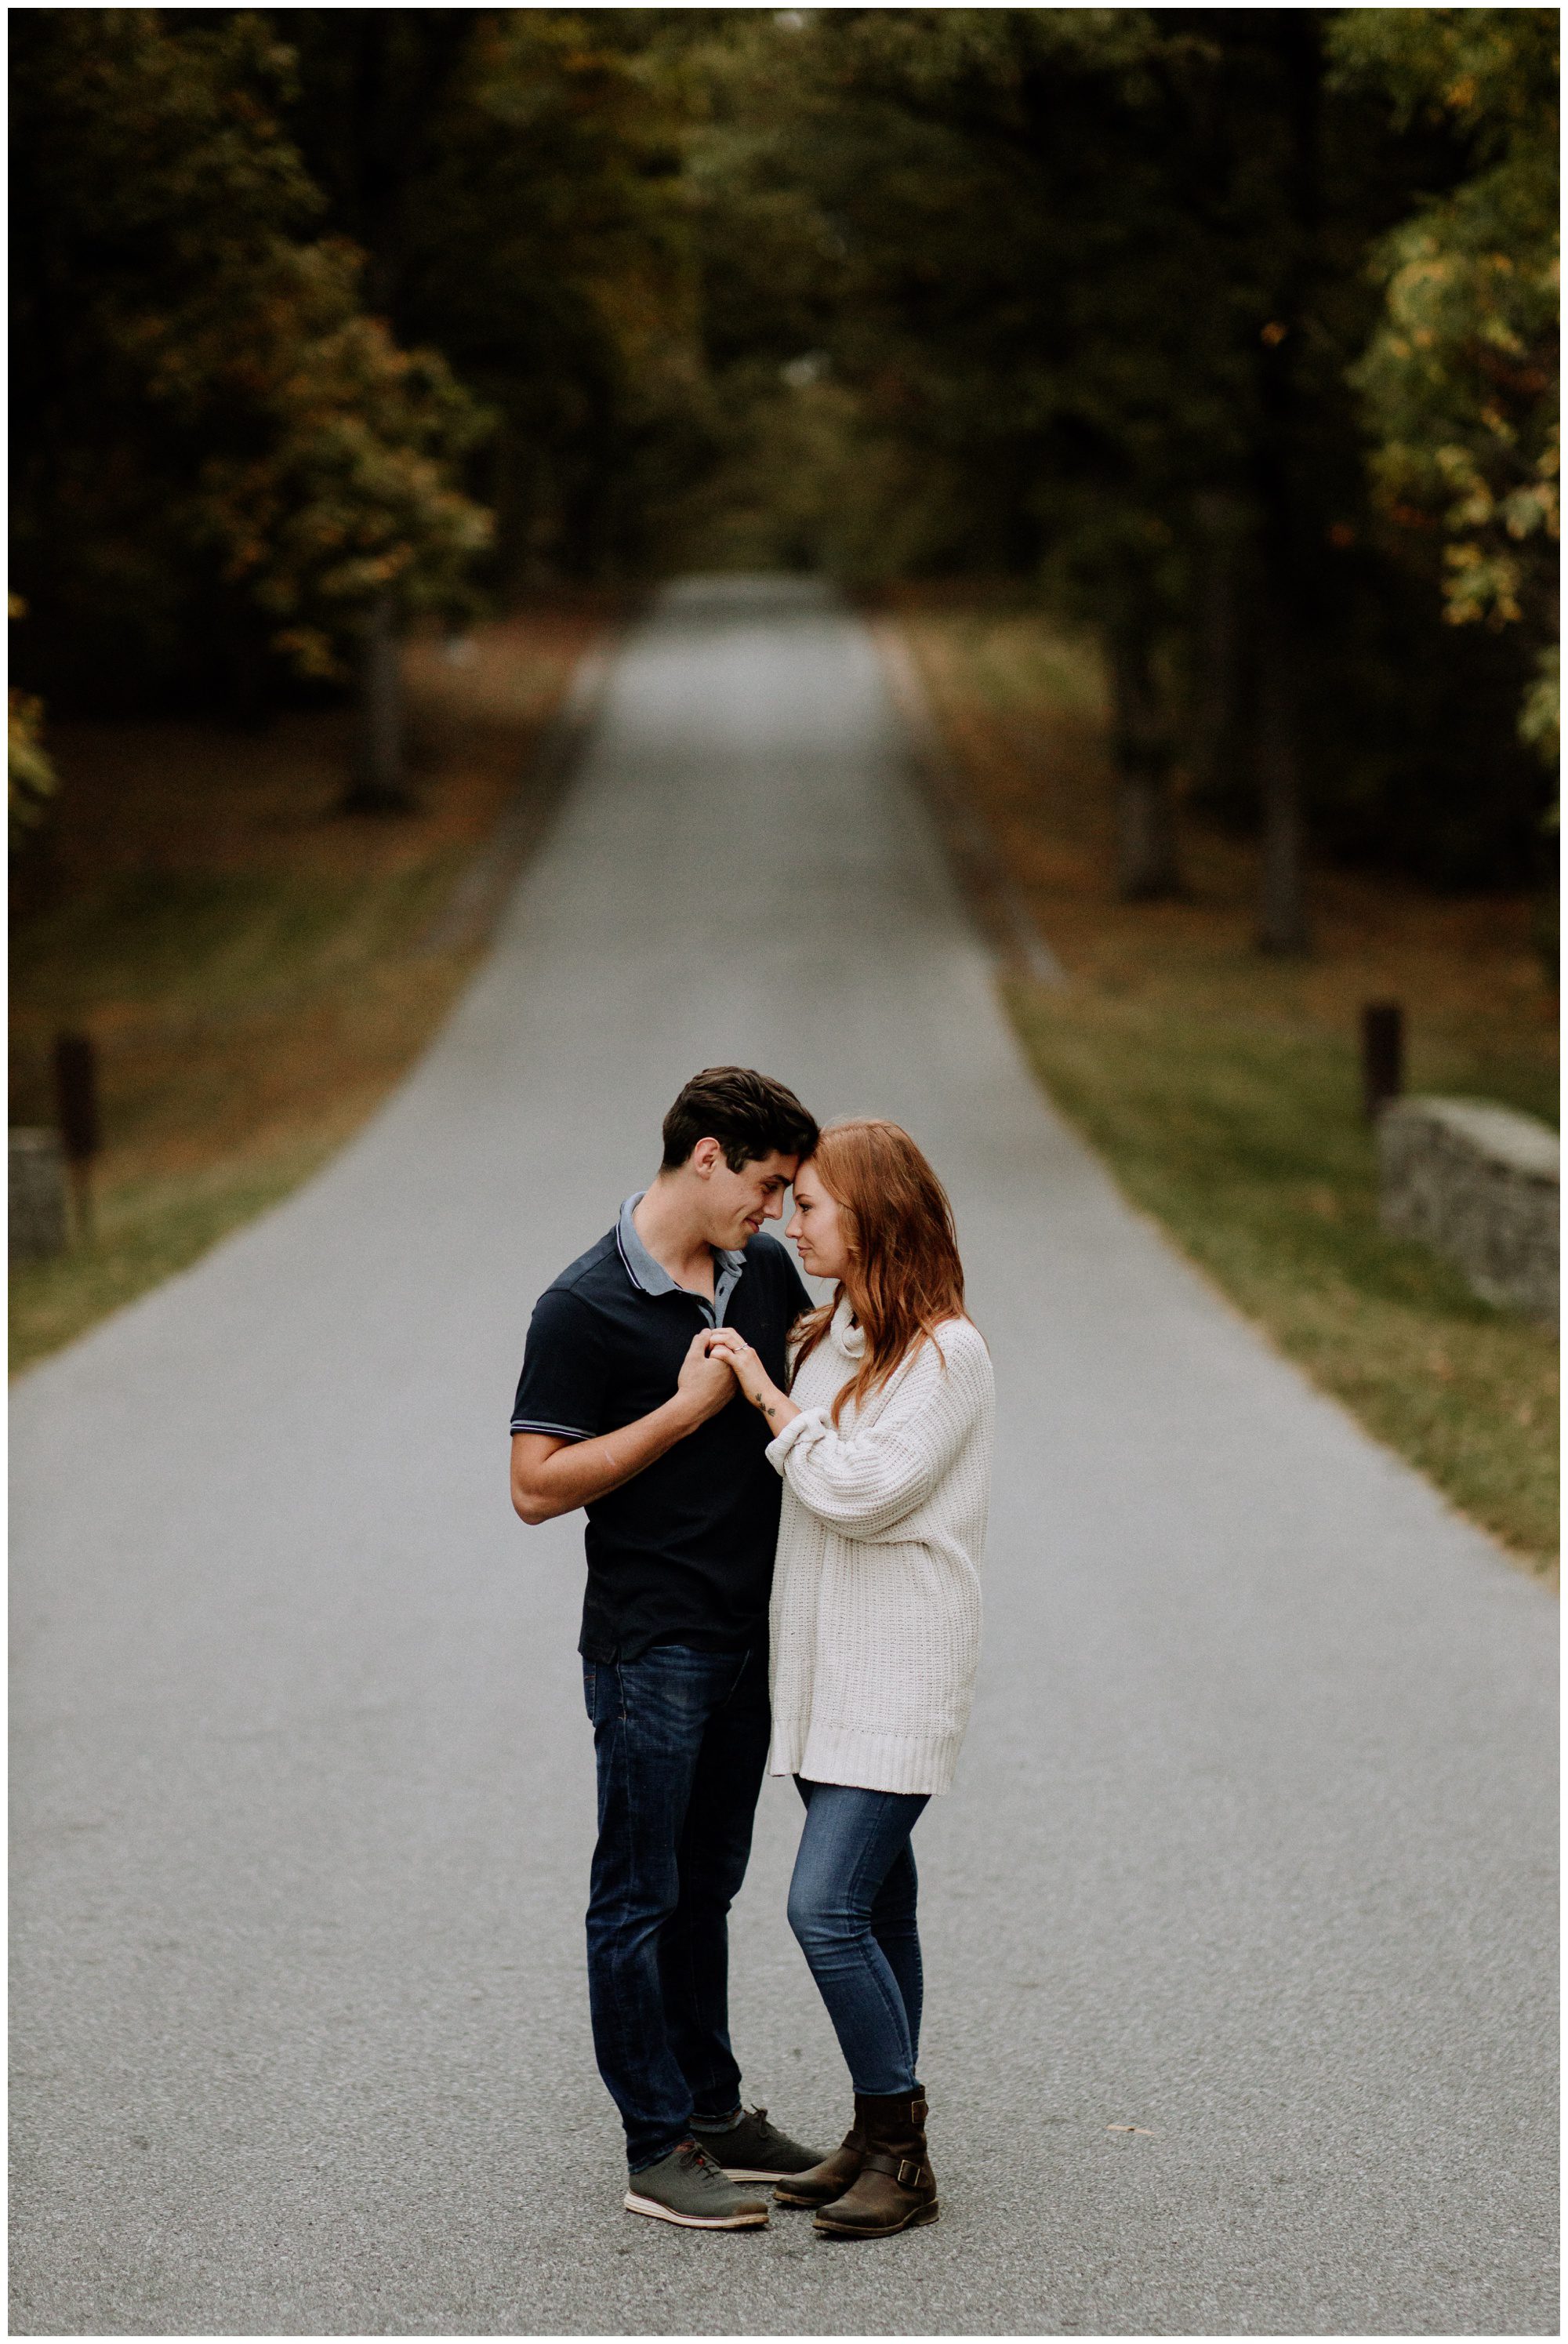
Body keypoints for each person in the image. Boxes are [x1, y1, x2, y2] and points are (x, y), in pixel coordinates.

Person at [509, 1067, 826, 2230]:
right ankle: (656, 2145)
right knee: (638, 1894)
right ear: (705, 1156)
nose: (780, 1208)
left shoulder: (769, 1273)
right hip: (654, 1649)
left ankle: (715, 2108)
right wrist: (683, 1415)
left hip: (754, 1640)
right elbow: (534, 1487)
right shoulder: (582, 1305)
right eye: (767, 1182)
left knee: (708, 1887)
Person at [705, 1117, 994, 2240]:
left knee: (822, 1906)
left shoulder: (948, 1355)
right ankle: (875, 2139)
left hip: (902, 1668)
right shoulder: (835, 1335)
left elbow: (863, 1487)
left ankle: (905, 2147)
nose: (792, 1220)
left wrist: (769, 1405)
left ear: (871, 1214)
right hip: (824, 1670)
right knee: (880, 1902)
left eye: (813, 1204)